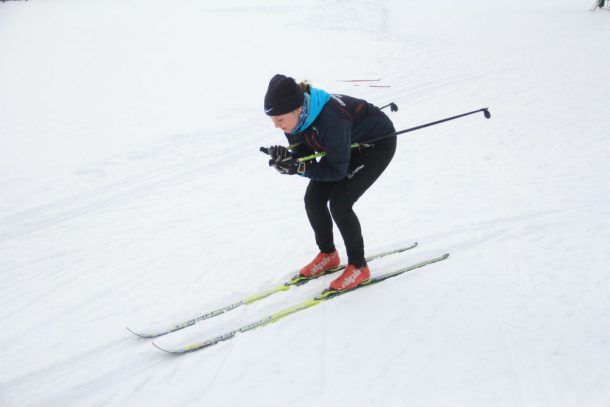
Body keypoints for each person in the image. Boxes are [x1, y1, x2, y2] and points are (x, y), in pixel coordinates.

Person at [263, 74, 397, 291]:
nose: (277, 126)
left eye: (280, 119)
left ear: (297, 108)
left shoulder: (331, 120)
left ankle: (359, 267)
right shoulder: (295, 123)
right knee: (313, 200)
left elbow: (336, 171)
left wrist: (299, 168)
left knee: (340, 204)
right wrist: (289, 161)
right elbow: (307, 157)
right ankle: (328, 255)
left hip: (375, 147)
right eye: (273, 120)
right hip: (343, 148)